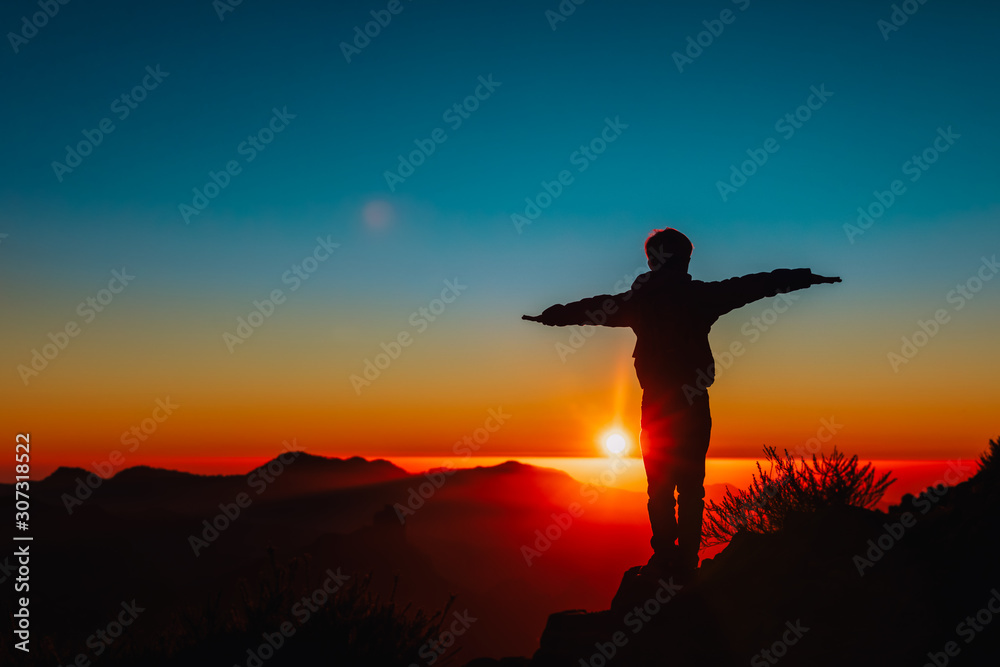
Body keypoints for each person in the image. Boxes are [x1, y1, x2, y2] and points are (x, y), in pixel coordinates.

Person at [522, 228, 840, 575]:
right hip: (692, 403)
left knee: (659, 488)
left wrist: (550, 316)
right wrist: (807, 279)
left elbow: (590, 309)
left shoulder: (637, 303)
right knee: (691, 489)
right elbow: (758, 284)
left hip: (656, 406)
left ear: (652, 260)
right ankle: (686, 562)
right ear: (684, 259)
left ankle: (664, 558)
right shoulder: (698, 297)